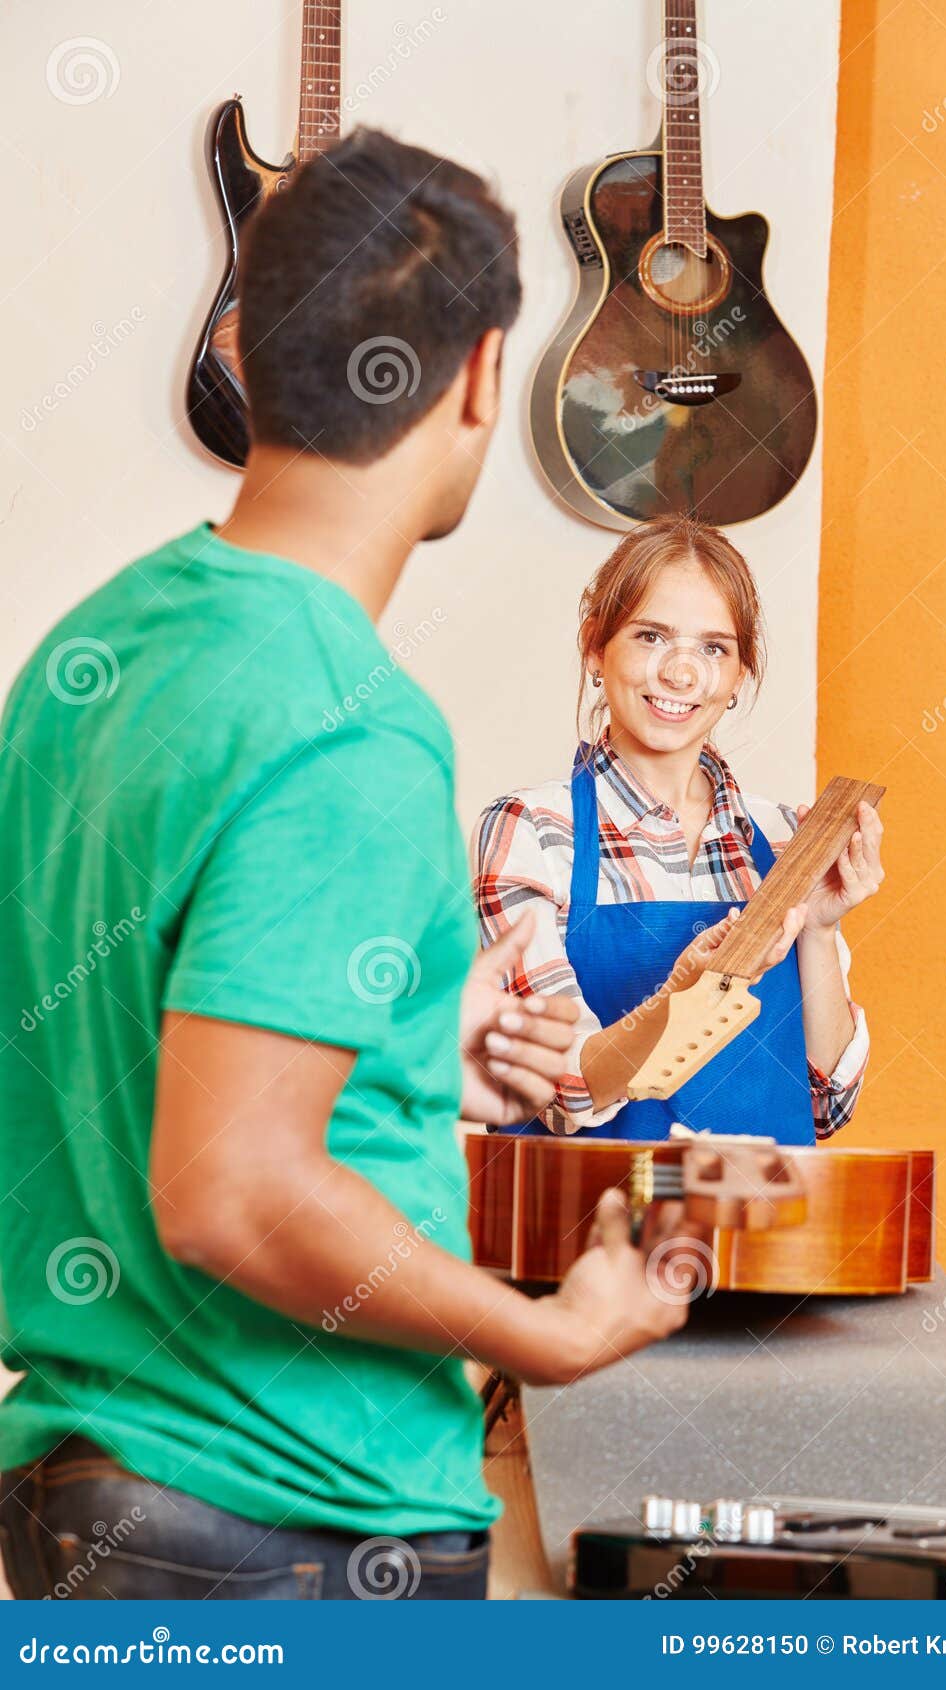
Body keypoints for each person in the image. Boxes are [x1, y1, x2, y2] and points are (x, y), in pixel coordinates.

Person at [0, 130, 692, 1603]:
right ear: (479, 379)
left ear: (245, 351)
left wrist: (397, 1037)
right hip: (285, 1525)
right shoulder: (353, 733)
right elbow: (231, 1188)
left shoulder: (95, 651)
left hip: (94, 1501)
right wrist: (548, 1333)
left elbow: (122, 1029)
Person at [473, 518, 884, 1143]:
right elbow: (555, 1094)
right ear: (595, 648)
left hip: (755, 1229)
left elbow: (824, 1106)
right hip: (586, 1228)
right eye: (651, 636)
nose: (681, 674)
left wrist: (819, 931)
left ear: (741, 674)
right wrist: (679, 999)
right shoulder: (532, 832)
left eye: (715, 648)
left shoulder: (783, 841)